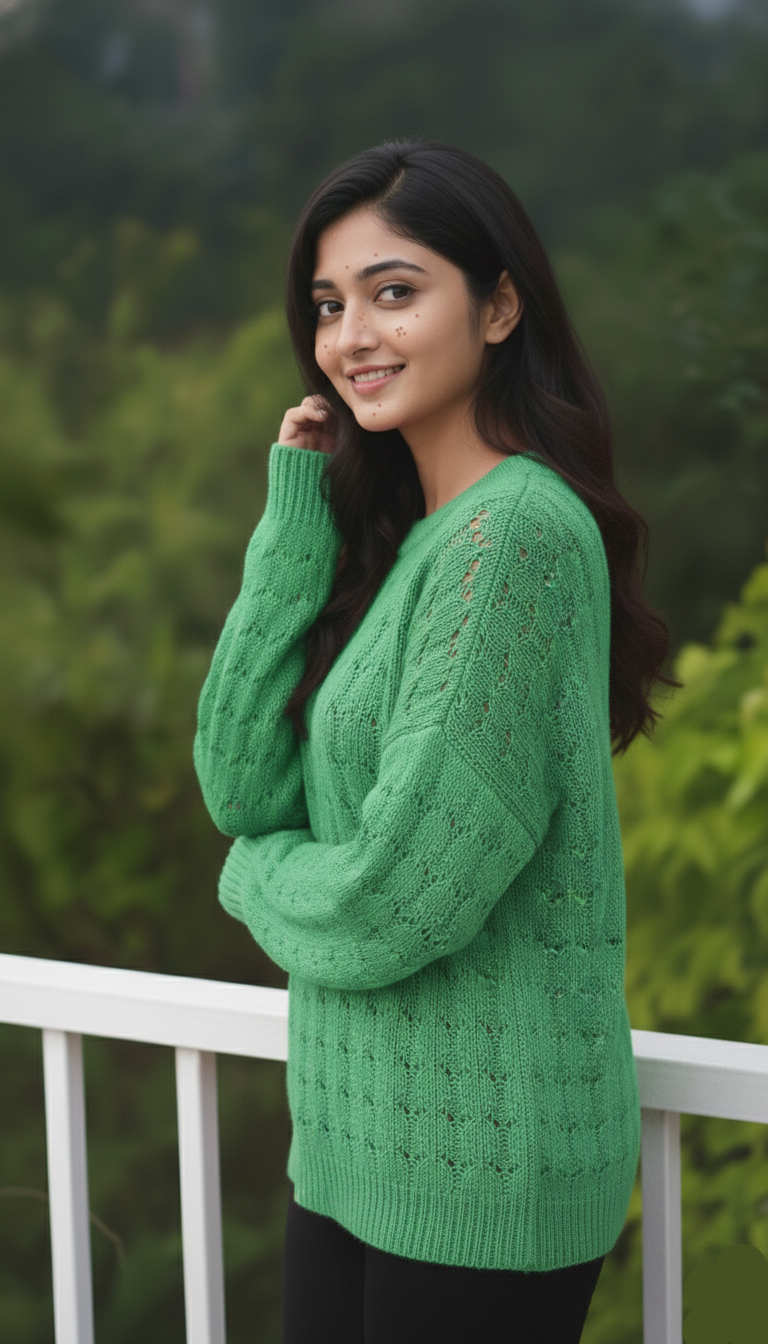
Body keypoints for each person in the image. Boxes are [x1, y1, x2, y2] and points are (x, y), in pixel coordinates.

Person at [192, 140, 677, 1343]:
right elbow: (240, 780)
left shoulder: (513, 536)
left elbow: (396, 895)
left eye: (394, 291)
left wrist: (255, 878)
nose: (352, 333)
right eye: (328, 303)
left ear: (501, 305)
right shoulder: (417, 541)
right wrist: (297, 522)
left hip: (485, 1173)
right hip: (353, 1144)